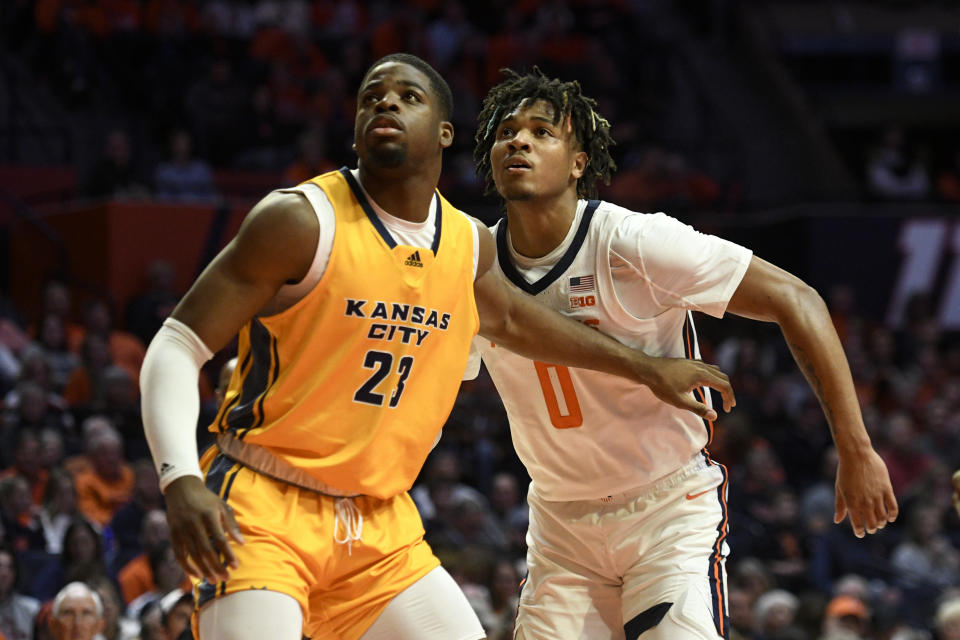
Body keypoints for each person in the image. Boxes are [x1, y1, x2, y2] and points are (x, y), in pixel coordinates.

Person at [140, 53, 734, 640]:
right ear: (354, 130)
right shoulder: (300, 221)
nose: (386, 103)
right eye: (372, 96)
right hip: (262, 506)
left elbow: (523, 324)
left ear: (445, 132)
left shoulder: (468, 245)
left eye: (408, 95)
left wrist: (648, 368)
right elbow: (176, 344)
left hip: (380, 527)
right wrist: (180, 477)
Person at [471, 68, 898, 639]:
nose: (518, 141)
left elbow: (797, 299)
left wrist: (856, 446)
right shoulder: (472, 267)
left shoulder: (632, 241)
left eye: (542, 132)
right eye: (506, 131)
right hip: (558, 526)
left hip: (665, 511)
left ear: (579, 163)